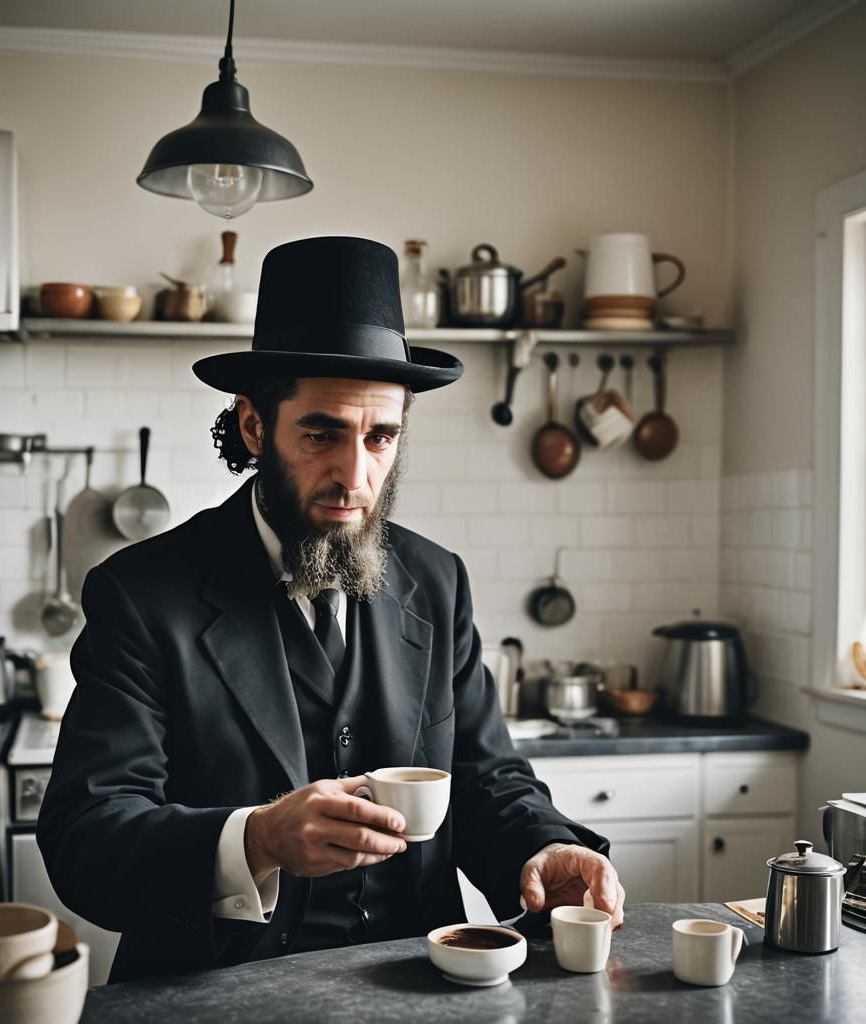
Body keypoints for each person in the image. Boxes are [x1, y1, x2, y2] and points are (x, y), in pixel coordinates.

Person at [37, 236, 624, 984]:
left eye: (381, 437)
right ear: (254, 426)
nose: (355, 475)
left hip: (416, 986)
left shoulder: (438, 583)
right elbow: (86, 842)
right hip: (212, 996)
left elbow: (487, 781)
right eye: (322, 434)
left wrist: (541, 847)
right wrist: (256, 839)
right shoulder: (142, 594)